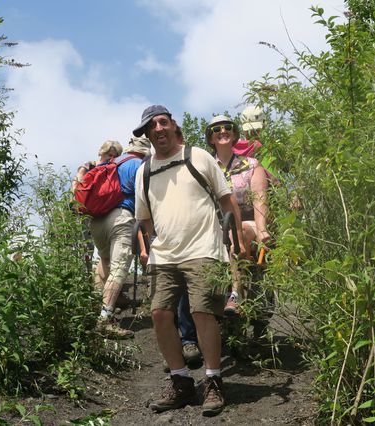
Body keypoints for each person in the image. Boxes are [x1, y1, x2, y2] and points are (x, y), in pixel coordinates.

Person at [133, 105, 246, 416]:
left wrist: (236, 241)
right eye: (151, 126)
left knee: (201, 312)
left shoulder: (198, 156)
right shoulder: (144, 171)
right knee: (159, 313)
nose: (158, 129)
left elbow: (226, 200)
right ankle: (181, 381)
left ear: (173, 125)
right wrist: (150, 247)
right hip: (165, 253)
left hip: (203, 247)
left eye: (163, 122)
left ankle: (213, 380)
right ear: (146, 134)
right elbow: (145, 219)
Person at [207, 115, 272, 316]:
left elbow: (260, 199)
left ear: (235, 134)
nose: (222, 131)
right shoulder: (206, 168)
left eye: (227, 127)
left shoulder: (252, 165)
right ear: (211, 138)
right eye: (216, 129)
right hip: (217, 226)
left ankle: (235, 294)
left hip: (248, 221)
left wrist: (262, 230)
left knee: (240, 231)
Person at [91, 137, 151, 339]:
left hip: (98, 220)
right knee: (119, 268)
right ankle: (105, 319)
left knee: (105, 260)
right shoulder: (140, 165)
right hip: (122, 217)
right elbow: (145, 200)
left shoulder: (111, 162)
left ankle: (98, 308)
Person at [72, 141, 123, 284]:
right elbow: (76, 182)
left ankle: (100, 282)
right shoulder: (90, 165)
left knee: (105, 251)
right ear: (102, 152)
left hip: (104, 213)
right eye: (109, 154)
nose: (110, 158)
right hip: (86, 212)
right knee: (86, 246)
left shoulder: (113, 169)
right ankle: (86, 279)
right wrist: (76, 202)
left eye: (114, 156)